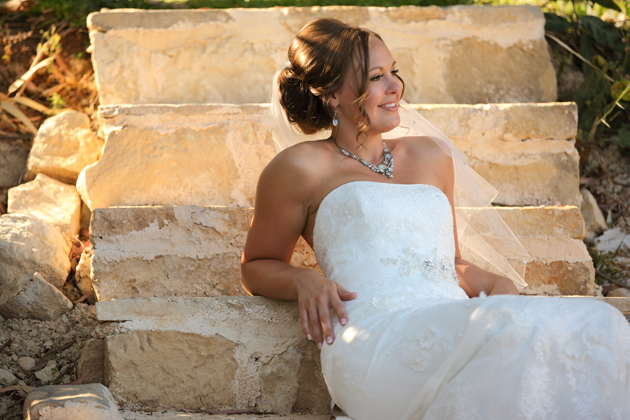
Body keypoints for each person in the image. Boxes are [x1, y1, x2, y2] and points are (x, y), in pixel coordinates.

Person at [241, 18, 630, 420]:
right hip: (374, 337)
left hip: (453, 318)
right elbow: (256, 266)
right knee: (509, 338)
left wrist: (493, 282)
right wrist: (304, 279)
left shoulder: (431, 156)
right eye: (376, 77)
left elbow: (449, 265)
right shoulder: (298, 168)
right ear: (332, 95)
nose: (395, 87)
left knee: (604, 324)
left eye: (394, 71)